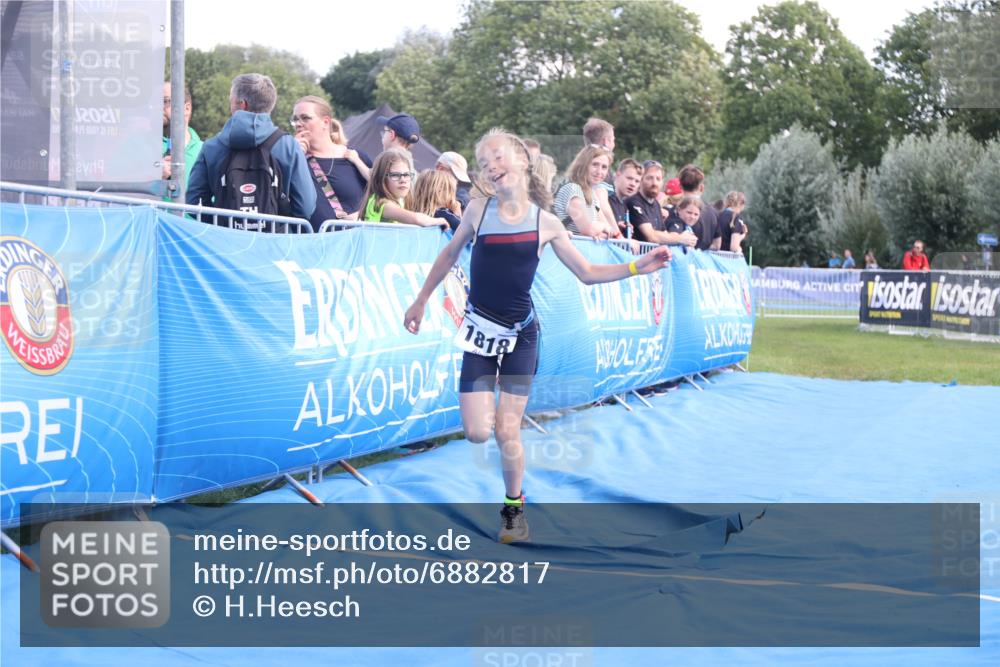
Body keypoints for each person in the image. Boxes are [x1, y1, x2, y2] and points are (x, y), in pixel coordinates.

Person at [403, 128, 671, 544]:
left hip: (521, 336)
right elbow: (449, 253)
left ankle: (513, 509)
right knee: (476, 432)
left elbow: (587, 272)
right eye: (485, 163)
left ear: (523, 162)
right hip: (478, 333)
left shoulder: (546, 223)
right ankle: (498, 426)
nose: (492, 167)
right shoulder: (476, 210)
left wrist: (640, 267)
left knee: (506, 431)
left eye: (499, 158)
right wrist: (420, 300)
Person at [187, 73, 316, 221]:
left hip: (226, 241)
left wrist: (221, 227)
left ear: (242, 104)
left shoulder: (212, 147)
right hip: (274, 241)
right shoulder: (288, 146)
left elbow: (194, 201)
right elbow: (306, 206)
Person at [291, 95, 372, 232]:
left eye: (305, 118)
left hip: (354, 246)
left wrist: (363, 216)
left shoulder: (355, 157)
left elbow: (385, 197)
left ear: (326, 122)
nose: (298, 124)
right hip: (310, 247)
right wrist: (294, 155)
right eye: (295, 119)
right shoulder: (292, 159)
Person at [360, 149, 447, 228]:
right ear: (381, 178)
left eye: (406, 175)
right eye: (395, 175)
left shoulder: (378, 199)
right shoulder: (383, 204)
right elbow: (416, 219)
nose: (403, 180)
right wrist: (439, 220)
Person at [625, 161, 697, 247]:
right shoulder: (634, 202)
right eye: (649, 178)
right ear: (641, 180)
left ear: (662, 182)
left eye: (658, 179)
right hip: (636, 258)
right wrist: (681, 238)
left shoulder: (656, 204)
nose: (654, 183)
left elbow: (664, 234)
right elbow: (651, 236)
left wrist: (687, 238)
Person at [552, 146, 619, 238]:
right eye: (595, 164)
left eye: (604, 167)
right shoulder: (572, 189)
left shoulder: (592, 194)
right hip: (568, 249)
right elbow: (588, 230)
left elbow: (609, 232)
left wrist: (601, 231)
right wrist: (603, 227)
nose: (599, 171)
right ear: (583, 165)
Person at [162, 82, 203, 200]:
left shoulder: (206, 150)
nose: (159, 108)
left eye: (165, 101)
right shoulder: (139, 145)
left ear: (187, 108)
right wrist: (154, 175)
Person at [678, 164, 721, 251]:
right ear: (701, 187)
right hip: (703, 262)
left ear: (680, 186)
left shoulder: (676, 210)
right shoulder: (714, 213)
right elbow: (717, 245)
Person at [609, 158, 643, 238]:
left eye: (637, 181)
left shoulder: (624, 205)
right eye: (629, 178)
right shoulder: (605, 197)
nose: (633, 184)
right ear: (618, 175)